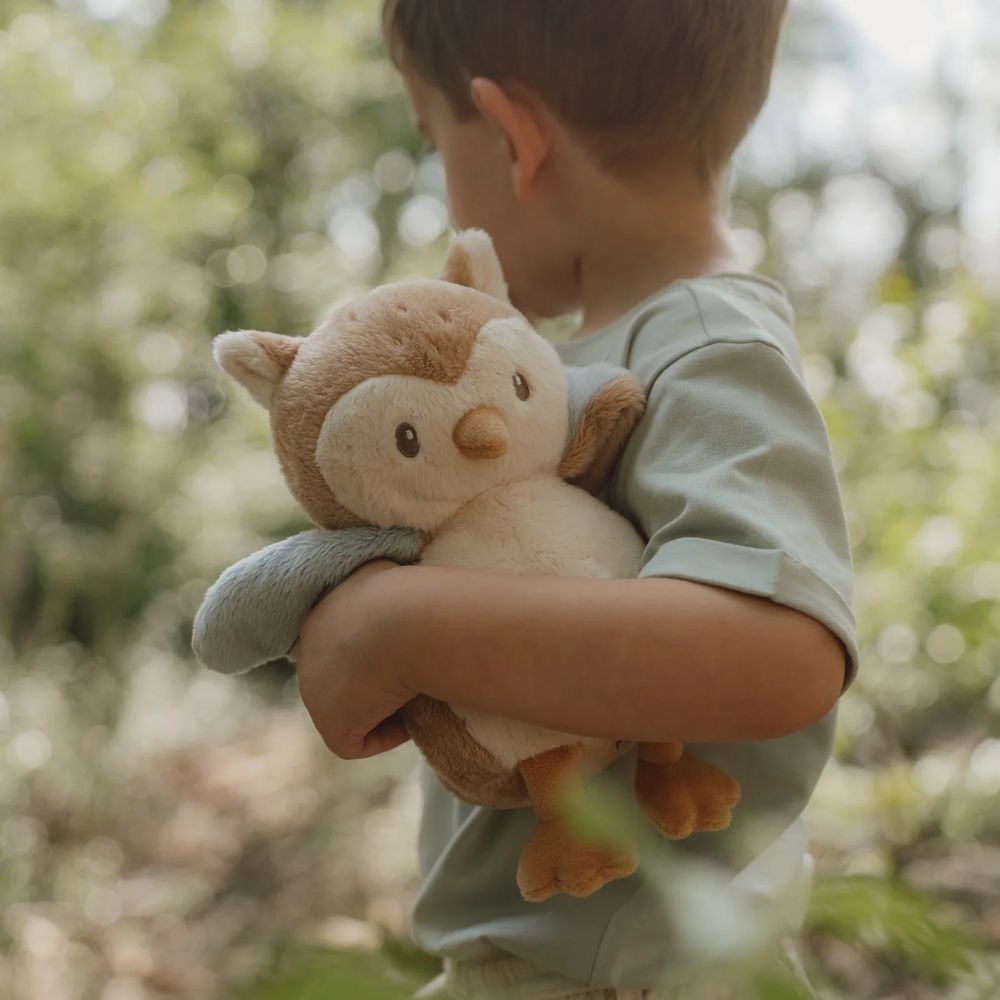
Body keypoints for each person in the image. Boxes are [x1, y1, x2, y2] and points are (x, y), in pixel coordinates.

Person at [294, 2, 858, 997]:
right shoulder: (574, 370)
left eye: (435, 143)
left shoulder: (704, 349)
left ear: (514, 136)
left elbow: (780, 651)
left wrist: (401, 625)